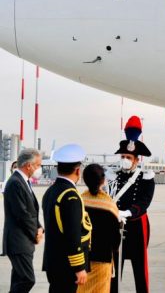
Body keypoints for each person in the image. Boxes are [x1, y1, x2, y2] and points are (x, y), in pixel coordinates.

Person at [111, 116, 155, 293]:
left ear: (136, 159)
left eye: (128, 157)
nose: (124, 159)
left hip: (137, 226)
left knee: (140, 269)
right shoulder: (114, 176)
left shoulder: (146, 177)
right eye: (122, 156)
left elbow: (145, 202)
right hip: (117, 227)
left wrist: (128, 213)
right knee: (114, 269)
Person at [42, 144, 92, 293]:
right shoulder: (70, 195)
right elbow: (72, 234)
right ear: (78, 170)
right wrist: (79, 267)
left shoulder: (51, 191)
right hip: (67, 264)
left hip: (54, 260)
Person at [2, 149, 43, 292]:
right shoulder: (15, 183)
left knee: (19, 280)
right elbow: (22, 214)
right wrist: (35, 233)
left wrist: (40, 228)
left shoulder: (23, 182)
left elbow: (32, 211)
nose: (39, 169)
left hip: (24, 241)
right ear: (28, 165)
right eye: (38, 165)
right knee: (27, 279)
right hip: (18, 241)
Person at [78, 164, 121, 293]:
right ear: (103, 180)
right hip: (103, 260)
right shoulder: (109, 205)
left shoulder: (79, 201)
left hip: (82, 260)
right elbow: (115, 239)